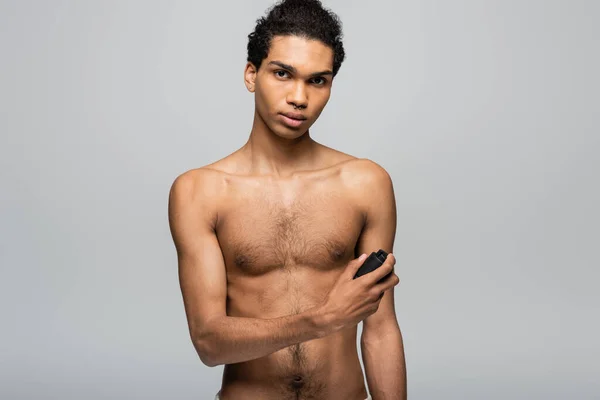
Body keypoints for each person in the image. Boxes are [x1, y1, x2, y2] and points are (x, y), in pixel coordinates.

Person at [168, 0, 407, 398]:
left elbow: (381, 329)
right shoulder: (199, 192)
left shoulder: (366, 183)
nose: (299, 97)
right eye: (283, 74)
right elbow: (209, 343)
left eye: (318, 80)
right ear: (251, 74)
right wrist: (325, 318)